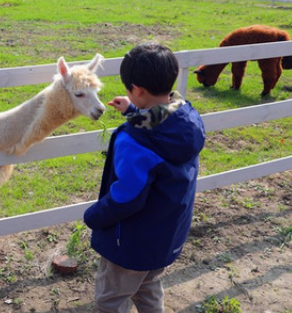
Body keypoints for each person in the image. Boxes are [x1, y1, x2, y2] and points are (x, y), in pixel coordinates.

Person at [84, 42, 206, 313]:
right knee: (148, 285)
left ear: (137, 90)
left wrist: (93, 216)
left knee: (111, 299)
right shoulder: (187, 118)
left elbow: (126, 198)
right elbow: (160, 127)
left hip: (130, 244)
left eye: (130, 89)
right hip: (165, 235)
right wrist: (132, 111)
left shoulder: (134, 142)